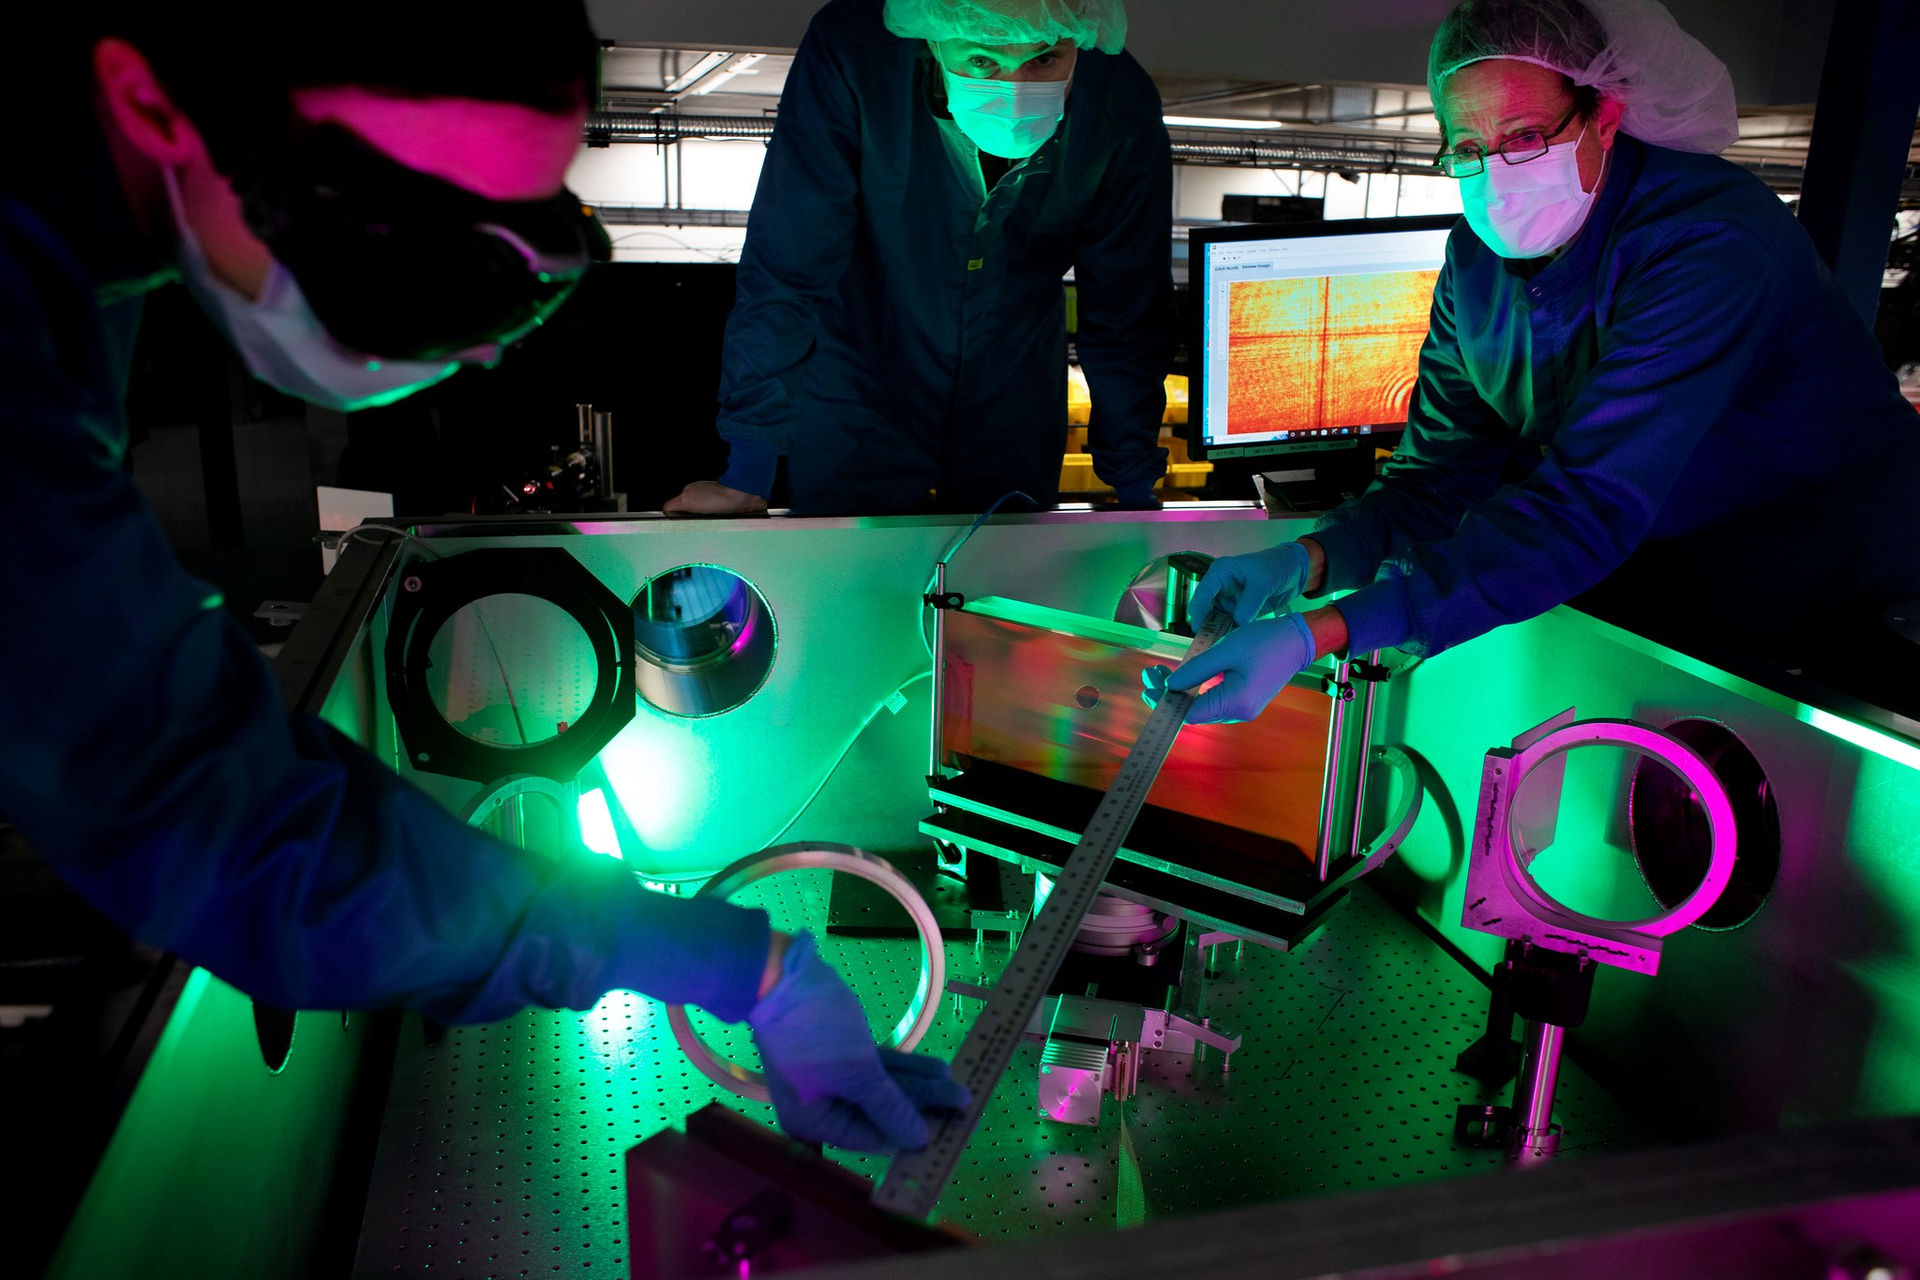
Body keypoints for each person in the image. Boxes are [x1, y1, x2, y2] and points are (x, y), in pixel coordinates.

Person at [0, 3, 963, 1152]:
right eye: (408, 239)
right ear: (153, 104)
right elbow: (197, 807)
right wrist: (718, 959)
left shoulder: (82, 232)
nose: (488, 344)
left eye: (528, 242)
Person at [1147, 0, 1920, 726]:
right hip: (1657, 573)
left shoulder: (1711, 244)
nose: (1498, 174)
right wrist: (1309, 559)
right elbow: (1440, 475)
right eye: (1471, 148)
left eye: (1524, 137)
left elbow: (1587, 500)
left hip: (1828, 599)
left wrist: (1319, 633)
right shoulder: (1475, 260)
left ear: (1605, 116)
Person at [664, 0, 1175, 517]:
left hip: (1013, 395)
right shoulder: (856, 55)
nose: (1016, 91)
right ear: (932, 40)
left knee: (1004, 586)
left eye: (1044, 61)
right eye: (981, 61)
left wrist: (1133, 482)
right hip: (859, 389)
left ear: (1079, 43)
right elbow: (788, 265)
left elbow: (1128, 303)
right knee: (852, 585)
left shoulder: (1119, 100)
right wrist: (749, 468)